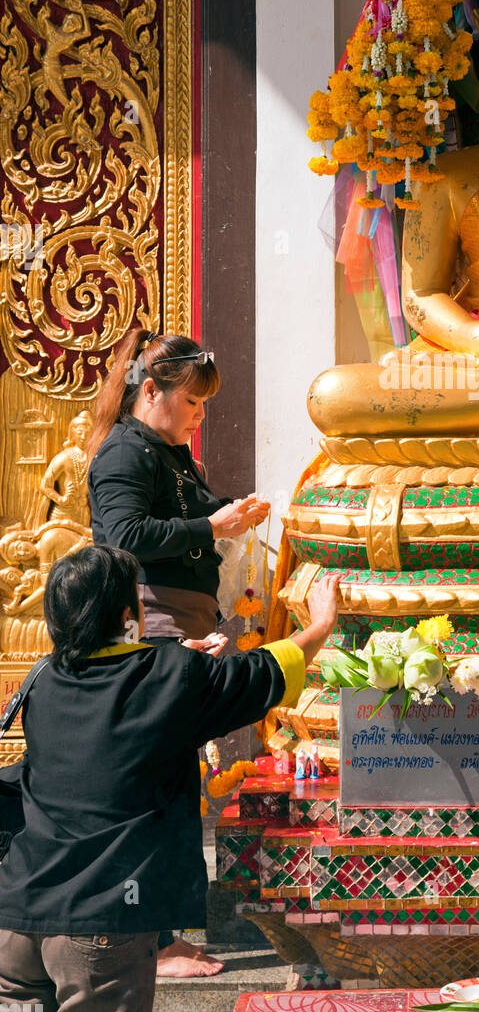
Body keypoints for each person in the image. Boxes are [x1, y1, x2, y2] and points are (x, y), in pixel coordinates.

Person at [0, 545, 340, 1012]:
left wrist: (180, 661)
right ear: (127, 616)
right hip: (99, 926)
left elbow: (117, 676)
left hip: (15, 921)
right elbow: (262, 672)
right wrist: (321, 624)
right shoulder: (171, 676)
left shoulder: (42, 678)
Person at [86, 328, 271, 977]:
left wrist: (231, 515)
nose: (198, 415)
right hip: (150, 631)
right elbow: (124, 535)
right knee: (155, 787)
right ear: (151, 392)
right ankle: (152, 941)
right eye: (191, 402)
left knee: (173, 783)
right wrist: (209, 525)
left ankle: (163, 934)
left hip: (183, 623)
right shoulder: (123, 455)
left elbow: (185, 522)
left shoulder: (168, 454)